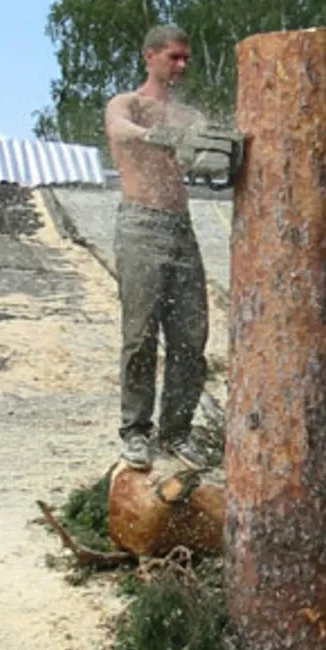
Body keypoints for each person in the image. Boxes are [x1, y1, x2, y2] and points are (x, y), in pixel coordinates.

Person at [104, 24, 209, 471]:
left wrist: (214, 154)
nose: (181, 65)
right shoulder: (127, 103)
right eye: (173, 57)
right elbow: (119, 128)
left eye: (186, 58)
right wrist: (153, 136)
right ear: (150, 56)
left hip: (181, 228)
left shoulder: (190, 116)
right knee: (141, 334)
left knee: (190, 335)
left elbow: (207, 154)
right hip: (140, 222)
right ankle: (135, 431)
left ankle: (177, 432)